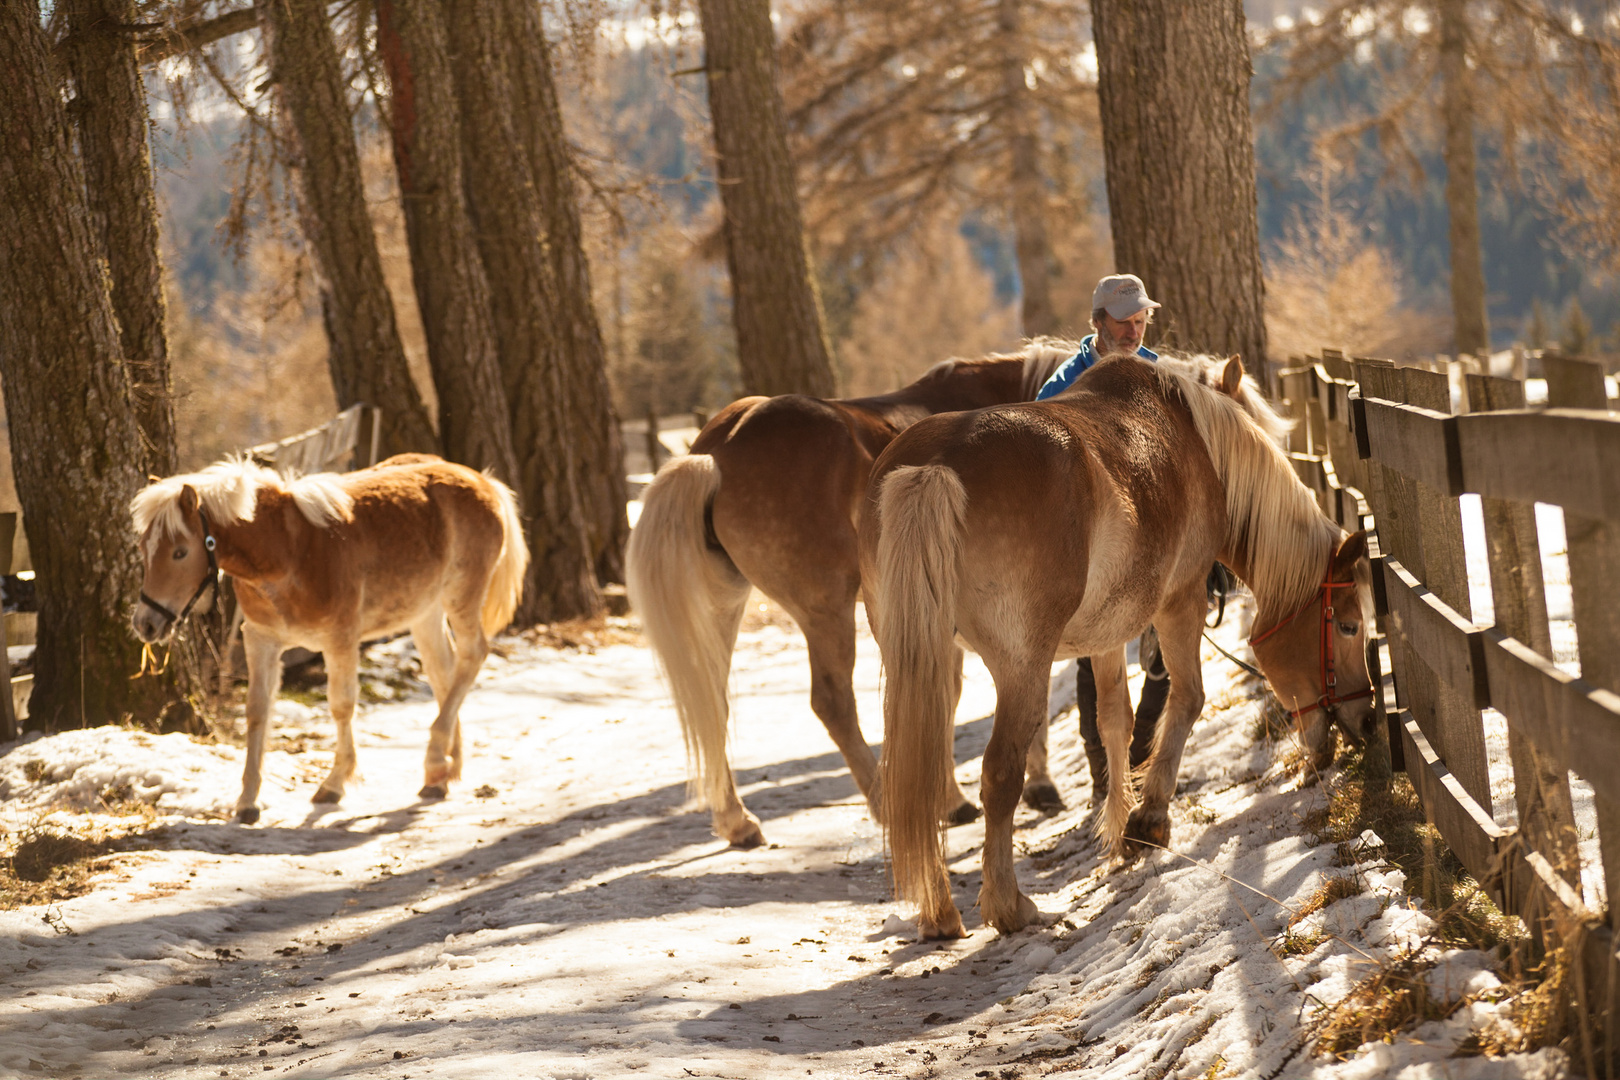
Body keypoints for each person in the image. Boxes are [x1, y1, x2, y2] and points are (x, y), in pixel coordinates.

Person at [1035, 273, 1168, 793]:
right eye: (1123, 322)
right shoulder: (1061, 389)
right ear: (1097, 324)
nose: (1133, 332)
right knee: (1095, 669)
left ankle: (1141, 762)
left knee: (1164, 664)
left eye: (1140, 321)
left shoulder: (1157, 375)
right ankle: (1102, 779)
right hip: (1092, 549)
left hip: (1154, 543)